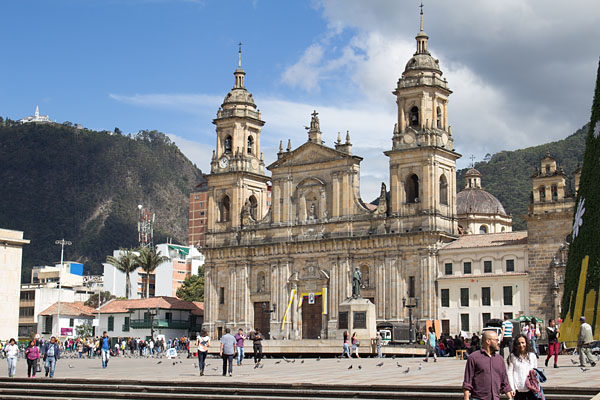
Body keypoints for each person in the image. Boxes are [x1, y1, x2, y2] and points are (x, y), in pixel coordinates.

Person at [462, 331, 513, 400]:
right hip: (478, 398)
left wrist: (510, 398)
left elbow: (504, 382)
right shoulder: (474, 357)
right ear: (488, 341)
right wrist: (466, 398)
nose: (498, 342)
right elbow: (467, 382)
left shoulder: (500, 359)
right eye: (496, 340)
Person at [507, 334, 537, 399]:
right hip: (518, 389)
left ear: (526, 343)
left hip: (531, 388)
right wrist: (512, 388)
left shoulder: (532, 356)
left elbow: (535, 372)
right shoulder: (512, 357)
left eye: (523, 343)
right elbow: (510, 373)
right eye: (519, 343)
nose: (521, 345)